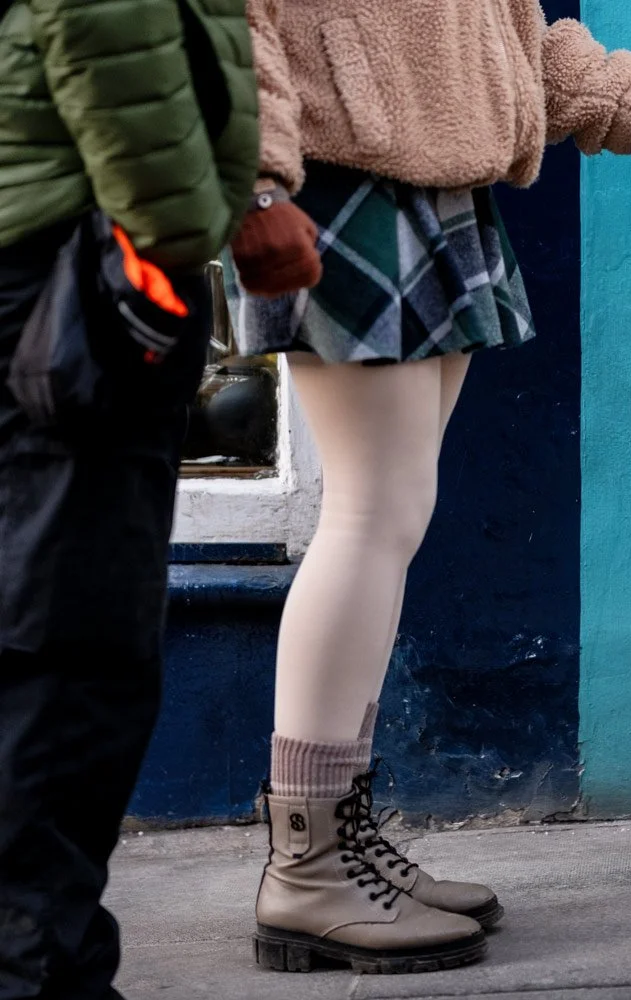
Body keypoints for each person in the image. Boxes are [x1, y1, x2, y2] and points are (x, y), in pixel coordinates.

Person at [228, 0, 631, 975]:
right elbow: (225, 23)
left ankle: (340, 843)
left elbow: (498, 38)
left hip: (436, 182)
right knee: (370, 514)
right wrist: (252, 188)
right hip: (332, 183)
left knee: (393, 517)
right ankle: (306, 866)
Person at [0, 1, 259, 997]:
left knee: (60, 652)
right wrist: (186, 231)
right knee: (69, 659)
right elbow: (114, 46)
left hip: (57, 271)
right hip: (65, 290)